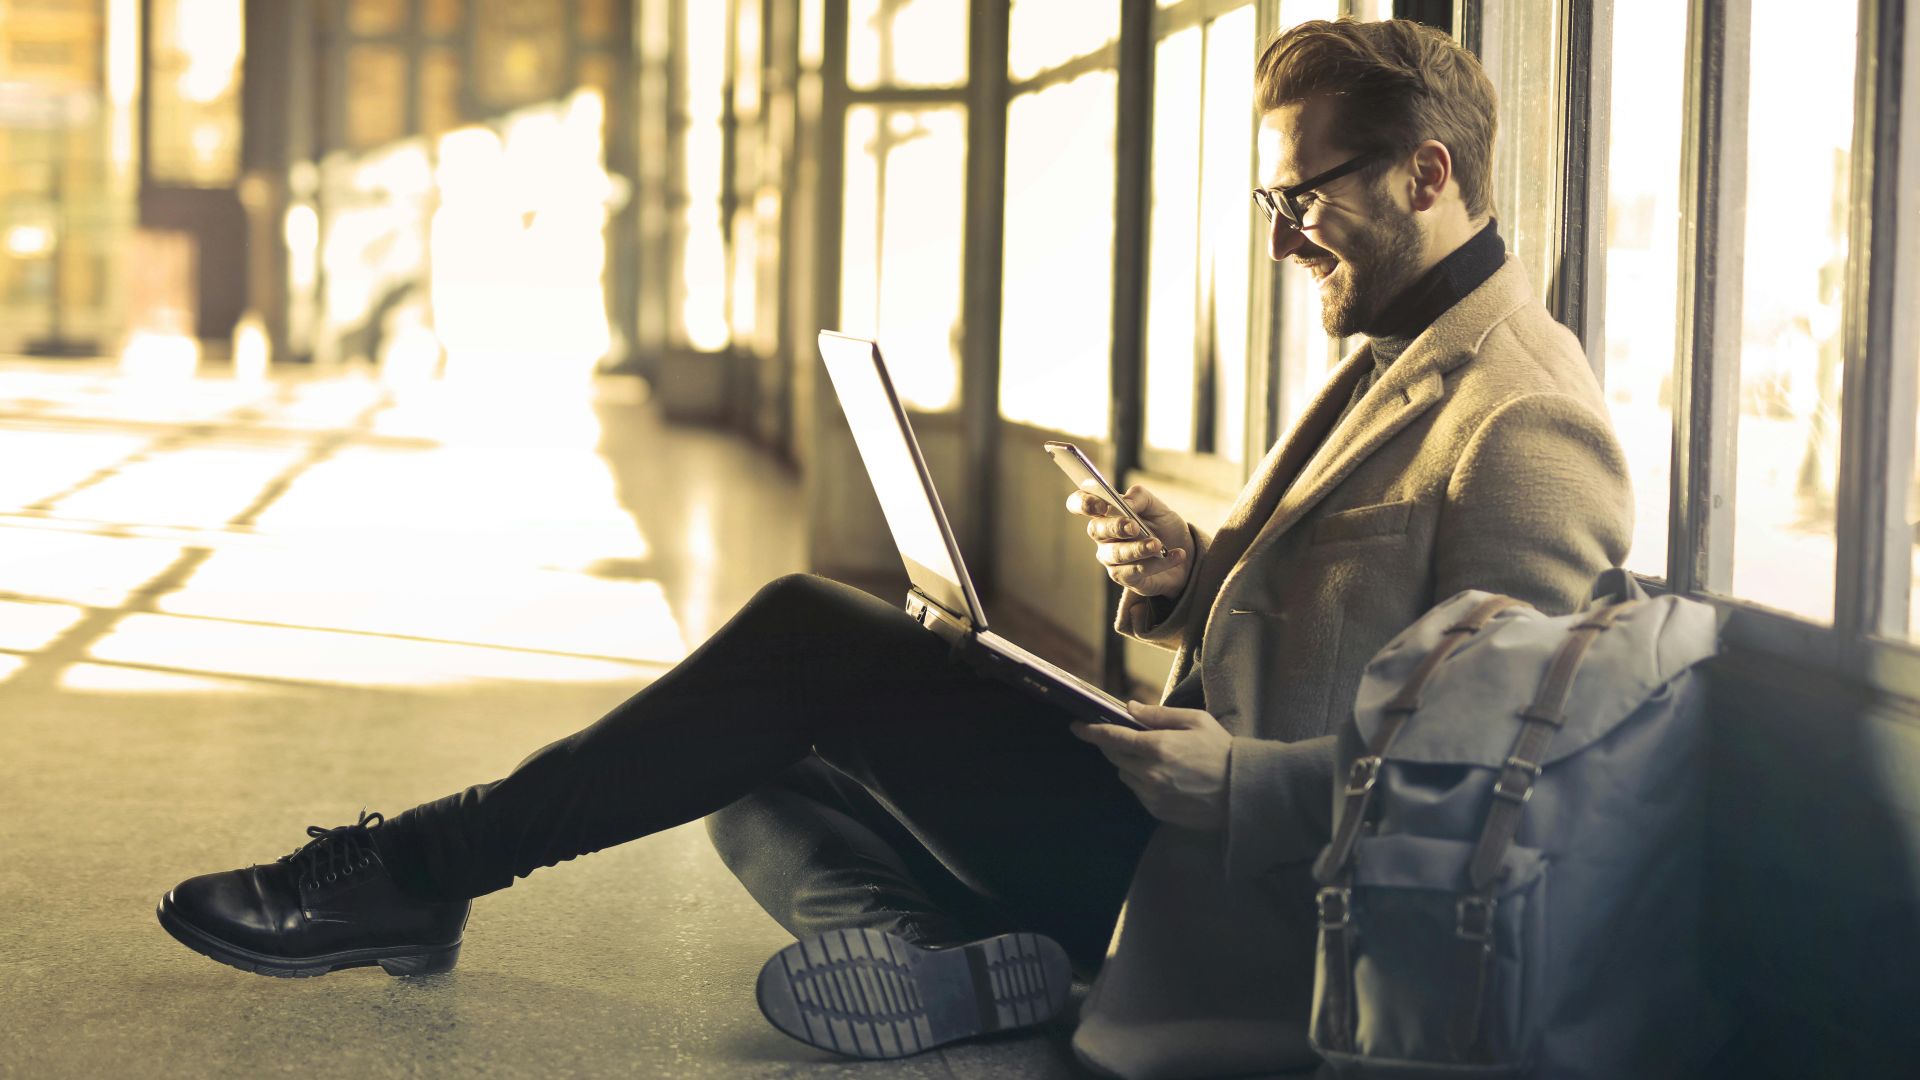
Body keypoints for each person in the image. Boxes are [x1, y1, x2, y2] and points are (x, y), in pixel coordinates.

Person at [156, 17, 1630, 1078]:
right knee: (748, 766)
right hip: (1173, 813)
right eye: (1268, 201)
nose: (1279, 238)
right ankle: (971, 962)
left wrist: (1242, 782)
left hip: (1244, 880)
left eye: (1303, 198)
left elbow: (1506, 794)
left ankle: (421, 867)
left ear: (1429, 175)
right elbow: (1352, 628)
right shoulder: (1395, 346)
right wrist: (1197, 577)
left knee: (801, 637)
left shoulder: (1524, 421)